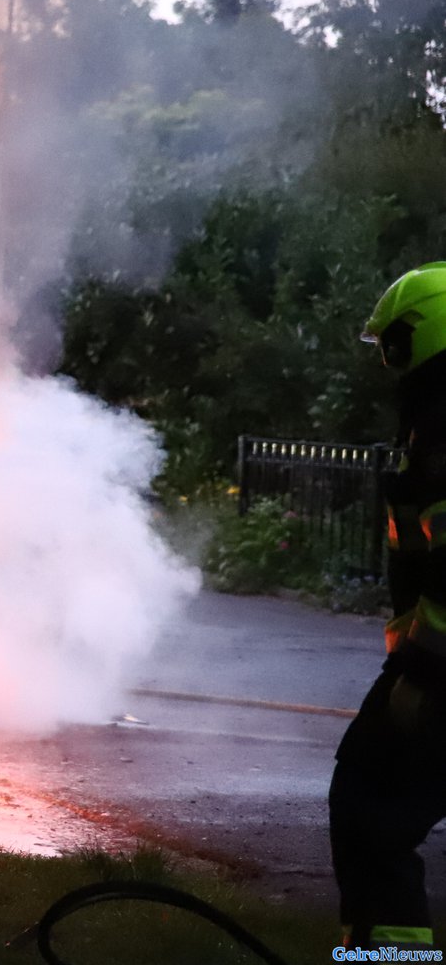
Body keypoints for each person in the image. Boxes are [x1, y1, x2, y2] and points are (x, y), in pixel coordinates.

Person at [331, 262, 446, 952]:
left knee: (370, 808)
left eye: (392, 344)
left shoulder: (443, 432)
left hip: (439, 677)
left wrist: (423, 676)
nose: (388, 363)